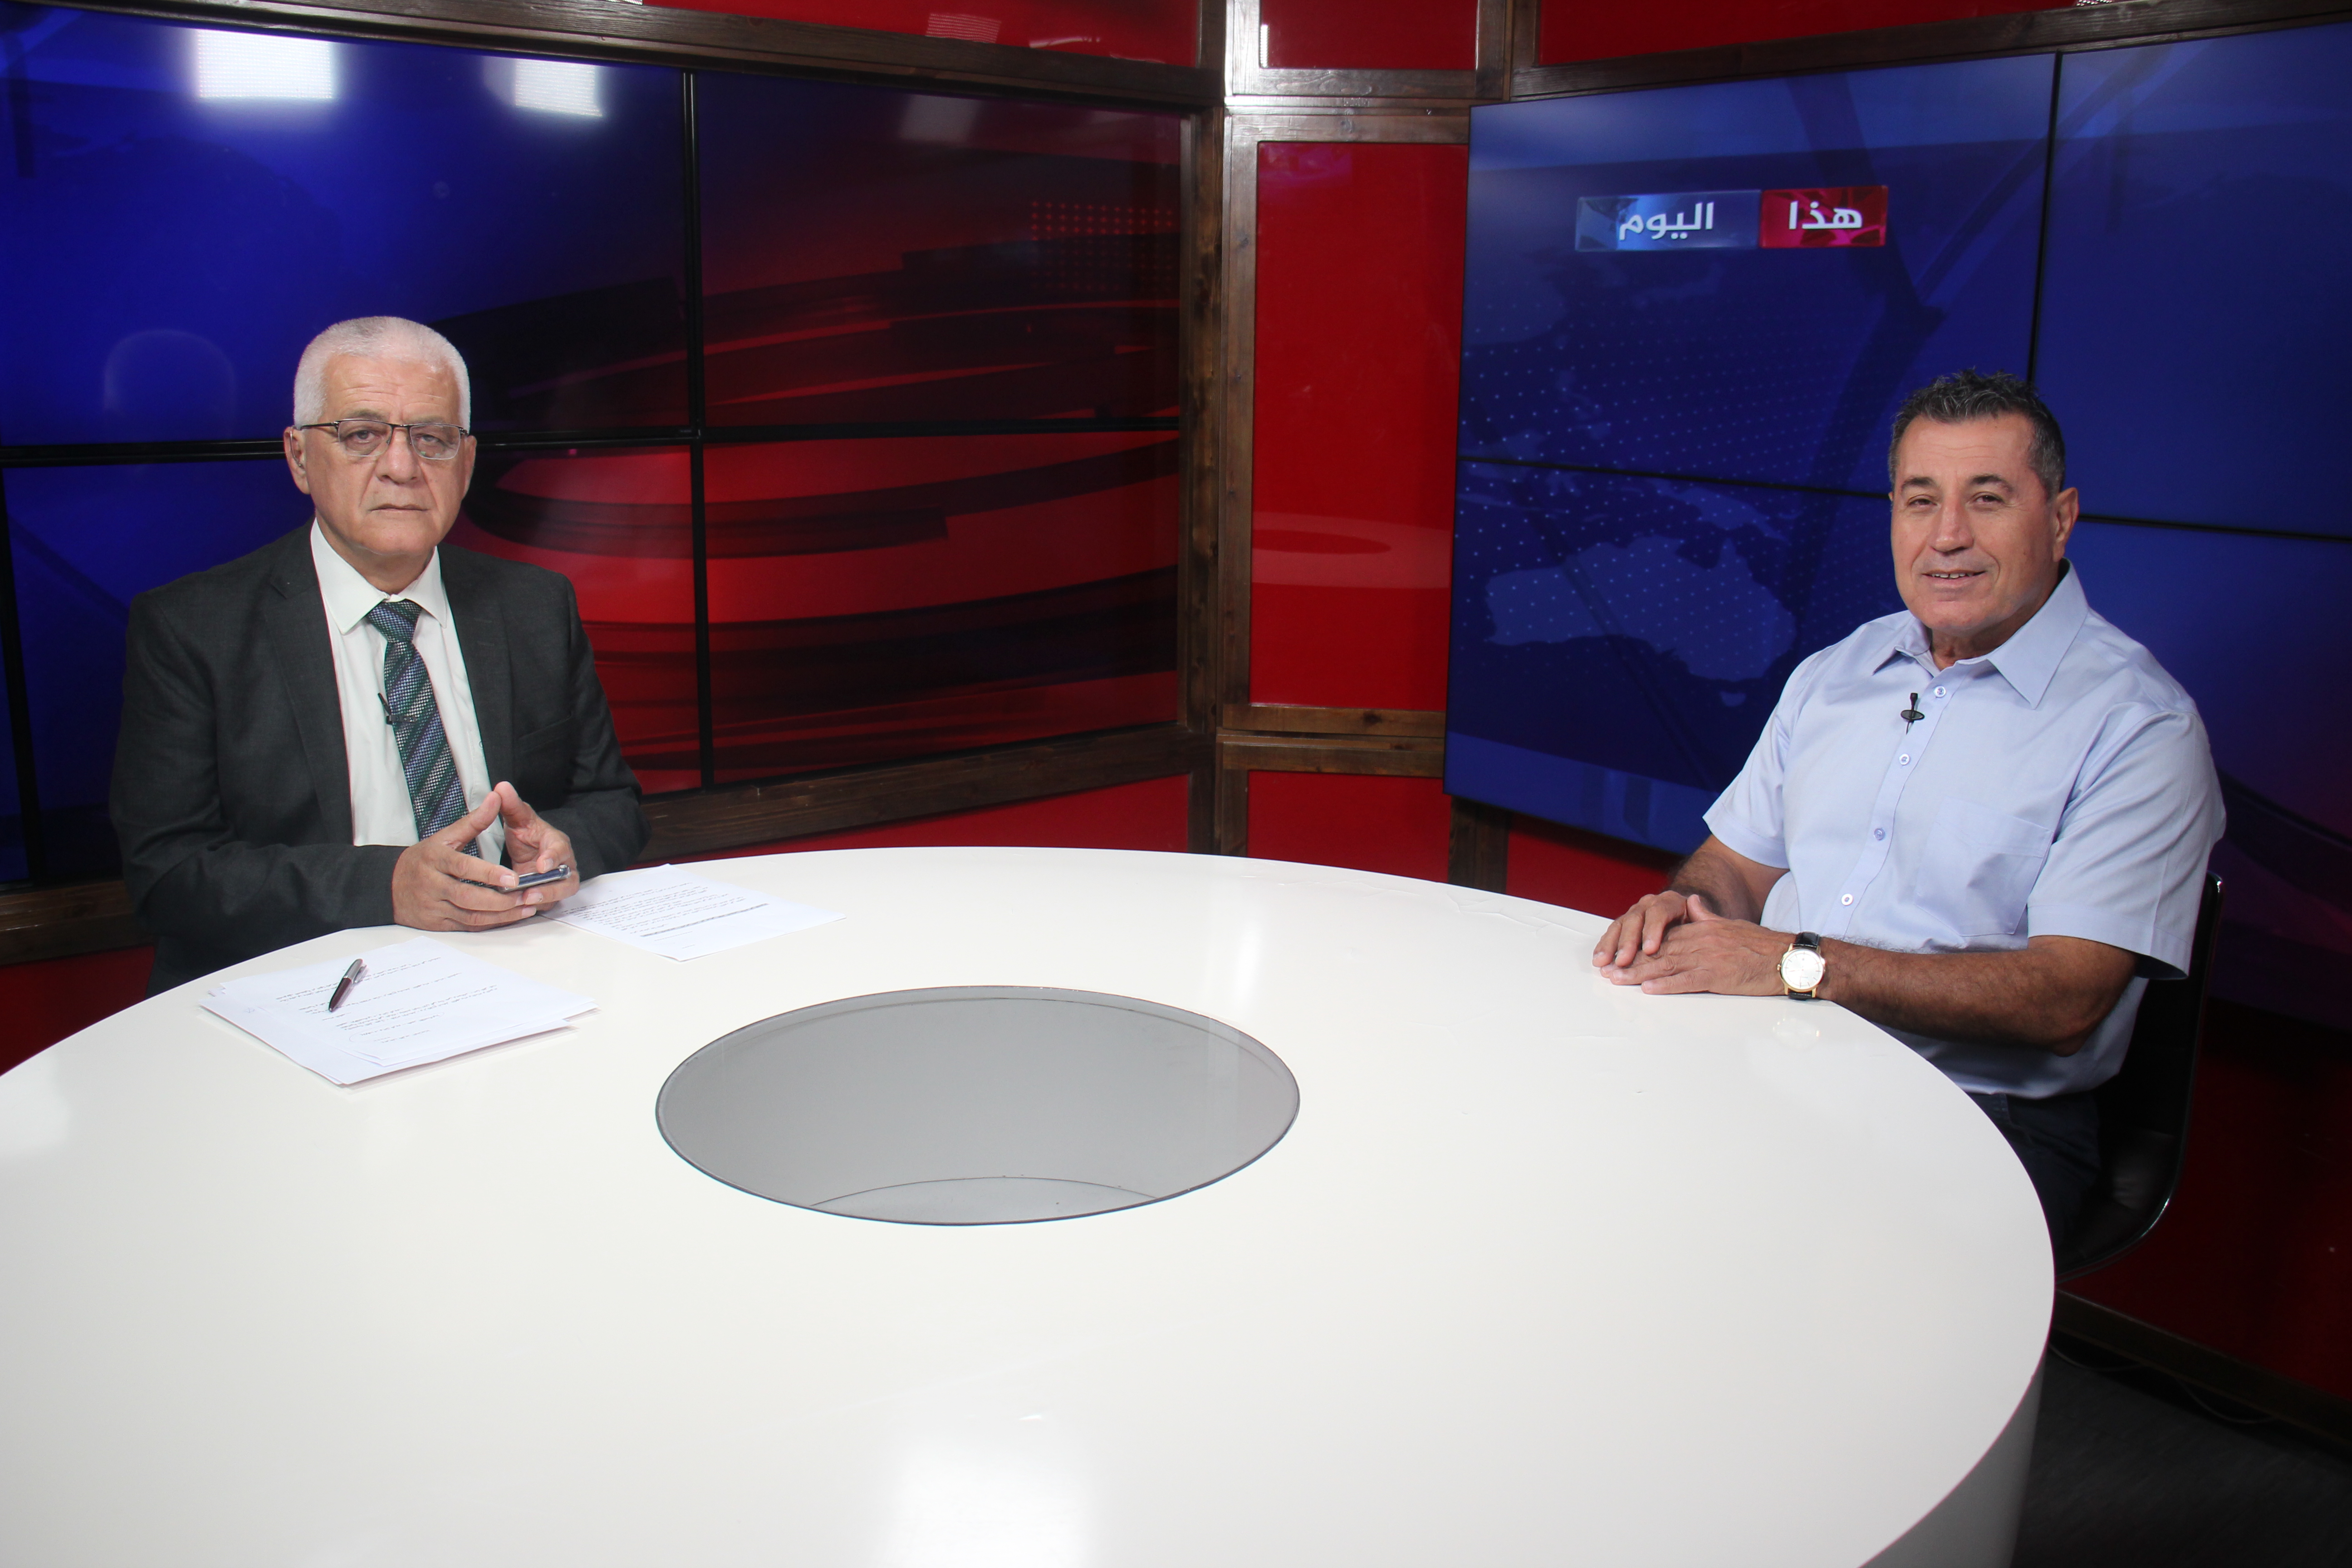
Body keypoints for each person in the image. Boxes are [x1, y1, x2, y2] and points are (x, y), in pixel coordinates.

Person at [1590, 370, 2223, 1247]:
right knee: (1580, 1173)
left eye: (1988, 499)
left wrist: (1796, 965)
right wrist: (1687, 908)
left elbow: (2065, 1000)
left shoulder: (2140, 725)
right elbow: (1734, 865)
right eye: (1921, 500)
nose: (1948, 535)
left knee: (1755, 1254)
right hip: (1764, 1054)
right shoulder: (1836, 673)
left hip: (1982, 1116)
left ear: (2061, 518)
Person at [112, 317, 648, 993]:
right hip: (305, 988)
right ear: (299, 457)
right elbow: (168, 873)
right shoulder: (192, 628)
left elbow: (612, 805)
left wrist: (560, 846)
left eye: (432, 439)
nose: (401, 468)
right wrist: (388, 885)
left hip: (521, 968)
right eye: (362, 435)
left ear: (467, 463)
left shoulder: (536, 605)